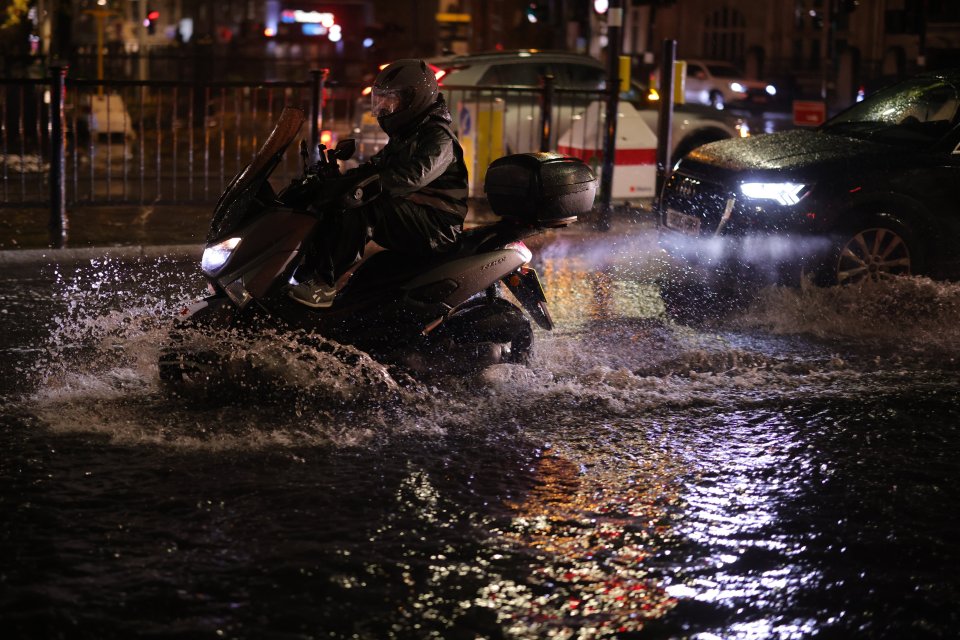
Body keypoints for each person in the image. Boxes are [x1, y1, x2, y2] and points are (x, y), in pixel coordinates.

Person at [288, 59, 469, 308]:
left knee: (368, 208)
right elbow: (376, 167)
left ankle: (323, 285)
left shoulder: (438, 136)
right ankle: (303, 273)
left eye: (392, 100)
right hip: (416, 216)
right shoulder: (407, 133)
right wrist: (338, 181)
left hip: (438, 227)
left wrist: (365, 187)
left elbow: (413, 175)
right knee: (335, 204)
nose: (385, 107)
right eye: (382, 100)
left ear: (413, 99)